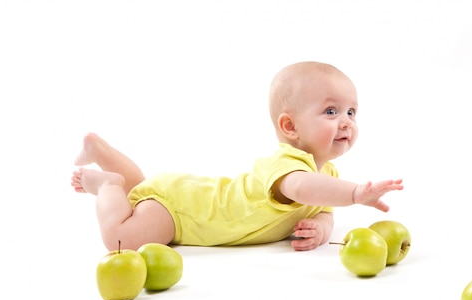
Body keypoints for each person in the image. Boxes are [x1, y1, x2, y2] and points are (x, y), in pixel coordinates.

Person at [71, 61, 403, 252]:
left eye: (351, 111)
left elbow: (323, 207)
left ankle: (100, 150)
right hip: (181, 212)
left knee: (139, 190)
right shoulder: (287, 166)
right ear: (289, 126)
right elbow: (302, 189)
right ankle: (107, 184)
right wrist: (356, 194)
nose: (346, 120)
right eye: (331, 111)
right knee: (121, 240)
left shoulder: (326, 177)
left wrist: (319, 228)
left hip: (185, 196)